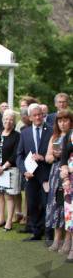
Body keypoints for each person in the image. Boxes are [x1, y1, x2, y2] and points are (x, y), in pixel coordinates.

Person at [16, 103, 53, 241]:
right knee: (32, 204)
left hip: (46, 174)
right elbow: (19, 155)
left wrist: (43, 157)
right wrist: (24, 171)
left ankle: (48, 232)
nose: (38, 117)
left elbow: (55, 154)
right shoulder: (24, 132)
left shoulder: (51, 130)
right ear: (30, 117)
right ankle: (36, 233)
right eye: (35, 115)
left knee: (46, 204)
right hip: (30, 176)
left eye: (40, 115)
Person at [0, 110, 21, 231]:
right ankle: (1, 219)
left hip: (10, 170)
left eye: (11, 119)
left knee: (9, 196)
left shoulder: (17, 135)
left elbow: (15, 154)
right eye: (6, 119)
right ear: (2, 120)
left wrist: (3, 167)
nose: (8, 121)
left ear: (14, 122)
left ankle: (9, 222)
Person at [45, 110, 71, 252]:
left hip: (68, 174)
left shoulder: (71, 136)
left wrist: (65, 156)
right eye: (60, 121)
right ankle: (57, 239)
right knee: (56, 205)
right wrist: (55, 155)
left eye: (65, 120)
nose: (62, 123)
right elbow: (47, 157)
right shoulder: (54, 136)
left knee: (67, 206)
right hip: (55, 174)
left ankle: (67, 240)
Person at [57, 111, 73, 261]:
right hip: (70, 181)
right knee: (70, 215)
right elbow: (63, 158)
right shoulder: (70, 135)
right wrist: (64, 172)